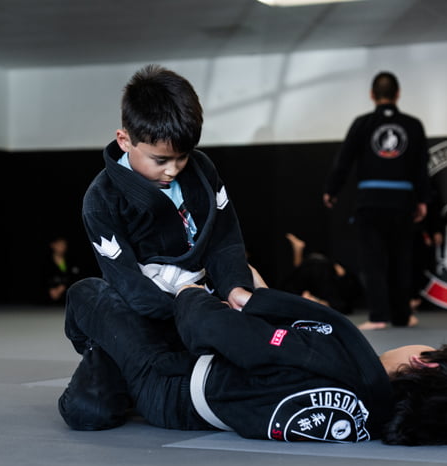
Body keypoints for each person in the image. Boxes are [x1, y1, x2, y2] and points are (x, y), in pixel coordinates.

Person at [60, 276, 447, 448]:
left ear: (425, 366)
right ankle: (102, 384)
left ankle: (101, 372)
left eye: (429, 349)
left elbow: (208, 330)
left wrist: (196, 294)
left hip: (168, 382)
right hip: (194, 405)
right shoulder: (375, 420)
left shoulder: (344, 352)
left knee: (92, 293)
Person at [58, 64, 255, 426]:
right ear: (125, 140)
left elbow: (225, 239)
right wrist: (185, 307)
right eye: (161, 160)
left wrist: (236, 288)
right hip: (139, 307)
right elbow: (129, 282)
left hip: (195, 301)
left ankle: (126, 357)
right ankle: (104, 341)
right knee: (90, 412)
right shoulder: (101, 199)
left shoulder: (202, 171)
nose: (174, 169)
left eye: (182, 157)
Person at [323, 71, 431, 331]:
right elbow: (421, 167)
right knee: (401, 259)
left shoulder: (362, 124)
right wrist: (423, 200)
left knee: (374, 261)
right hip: (402, 201)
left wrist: (332, 190)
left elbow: (344, 160)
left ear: (372, 95)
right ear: (398, 94)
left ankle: (379, 316)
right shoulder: (413, 125)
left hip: (370, 202)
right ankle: (402, 316)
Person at [278, 232, 362, 314]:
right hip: (325, 271)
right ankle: (299, 252)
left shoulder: (331, 292)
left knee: (298, 279)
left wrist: (313, 300)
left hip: (323, 270)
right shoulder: (331, 290)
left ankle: (298, 251)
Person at [41, 235, 82, 305]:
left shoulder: (72, 261)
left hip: (68, 298)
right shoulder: (46, 262)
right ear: (53, 245)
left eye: (64, 244)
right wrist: (51, 289)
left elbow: (76, 278)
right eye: (59, 244)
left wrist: (62, 288)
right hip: (47, 301)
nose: (62, 247)